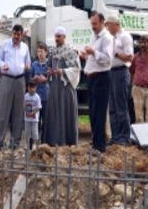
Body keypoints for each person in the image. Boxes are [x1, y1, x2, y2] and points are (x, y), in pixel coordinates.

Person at [80, 12, 114, 154]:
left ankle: (100, 146)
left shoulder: (107, 38)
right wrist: (86, 56)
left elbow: (107, 59)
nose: (93, 27)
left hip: (102, 78)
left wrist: (93, 52)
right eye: (91, 24)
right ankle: (95, 143)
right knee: (92, 111)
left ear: (102, 22)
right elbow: (93, 59)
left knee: (100, 112)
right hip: (92, 78)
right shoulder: (93, 37)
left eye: (95, 24)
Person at [0, 25, 31, 150]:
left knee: (18, 113)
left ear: (21, 35)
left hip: (20, 80)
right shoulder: (5, 45)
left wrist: (27, 66)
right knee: (4, 112)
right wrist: (2, 65)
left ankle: (15, 142)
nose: (16, 36)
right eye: (14, 34)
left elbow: (28, 62)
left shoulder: (25, 47)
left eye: (18, 34)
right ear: (12, 34)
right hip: (7, 79)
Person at [43, 27, 80, 146]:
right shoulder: (53, 51)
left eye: (59, 36)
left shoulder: (70, 51)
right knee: (54, 112)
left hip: (65, 87)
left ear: (64, 37)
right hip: (54, 87)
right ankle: (53, 140)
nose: (56, 39)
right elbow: (48, 66)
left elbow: (76, 69)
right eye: (55, 36)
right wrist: (49, 71)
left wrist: (63, 71)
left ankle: (67, 141)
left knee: (65, 111)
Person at [106, 14, 134, 145]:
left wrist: (116, 53)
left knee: (121, 106)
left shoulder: (125, 37)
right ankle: (115, 136)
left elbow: (129, 57)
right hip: (111, 72)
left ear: (115, 24)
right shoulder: (112, 38)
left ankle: (124, 136)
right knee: (112, 107)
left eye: (108, 25)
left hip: (121, 72)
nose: (107, 28)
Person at [130, 35, 148, 122]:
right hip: (138, 88)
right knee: (138, 116)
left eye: (145, 42)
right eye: (141, 42)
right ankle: (140, 135)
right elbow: (131, 70)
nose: (143, 44)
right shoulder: (135, 57)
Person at [30, 43, 49, 138]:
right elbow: (30, 79)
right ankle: (34, 140)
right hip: (36, 96)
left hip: (46, 95)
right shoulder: (34, 65)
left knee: (45, 120)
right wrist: (35, 78)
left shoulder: (49, 64)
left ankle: (44, 140)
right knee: (35, 119)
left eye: (42, 51)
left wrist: (45, 79)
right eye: (38, 52)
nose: (40, 54)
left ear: (46, 53)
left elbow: (51, 78)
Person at [24, 80, 42, 149]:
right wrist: (25, 110)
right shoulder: (26, 96)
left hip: (34, 118)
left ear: (35, 88)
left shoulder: (37, 97)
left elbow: (39, 107)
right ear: (27, 88)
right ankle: (28, 144)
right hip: (27, 118)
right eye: (30, 87)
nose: (31, 89)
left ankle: (35, 144)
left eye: (33, 87)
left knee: (34, 132)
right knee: (27, 132)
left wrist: (33, 112)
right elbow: (24, 105)